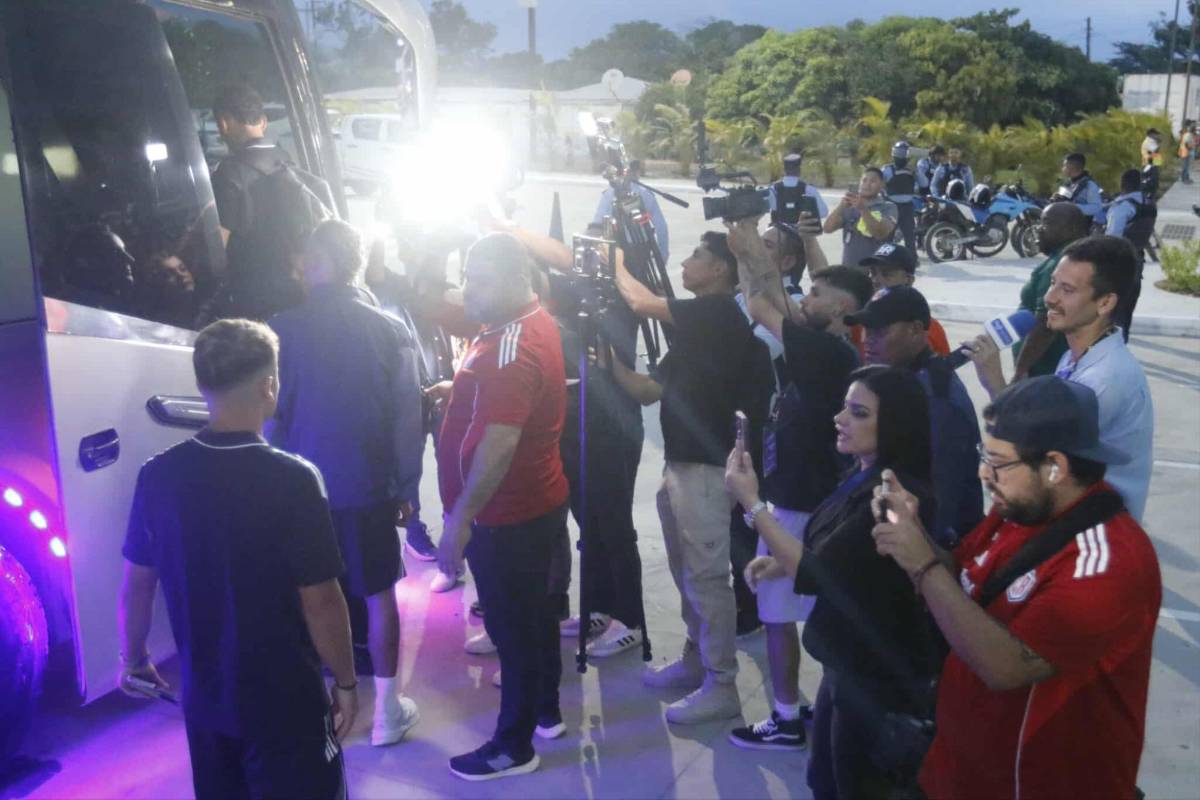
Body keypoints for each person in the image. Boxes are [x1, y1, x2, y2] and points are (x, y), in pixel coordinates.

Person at [873, 376, 1161, 800]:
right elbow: (964, 575)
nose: (982, 473)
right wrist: (913, 531)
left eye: (998, 462)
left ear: (1055, 467)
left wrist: (923, 564)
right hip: (959, 772)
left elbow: (1007, 667)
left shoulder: (1107, 564)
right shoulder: (1020, 512)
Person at [119, 319, 356, 800]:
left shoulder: (158, 476)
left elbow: (138, 584)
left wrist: (135, 656)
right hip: (286, 700)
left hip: (205, 701)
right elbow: (322, 600)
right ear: (269, 386)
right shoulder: (294, 479)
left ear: (203, 385)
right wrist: (347, 682)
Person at [726, 365, 938, 800]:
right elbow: (838, 554)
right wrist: (781, 564)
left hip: (874, 681)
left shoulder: (892, 493)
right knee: (824, 778)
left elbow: (815, 573)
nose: (840, 418)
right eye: (844, 406)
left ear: (894, 424)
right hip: (844, 667)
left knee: (852, 784)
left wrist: (752, 503)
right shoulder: (861, 473)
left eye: (858, 412)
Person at [607, 231, 774, 724]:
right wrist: (609, 360)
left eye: (697, 256)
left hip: (706, 468)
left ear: (721, 269)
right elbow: (648, 391)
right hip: (679, 467)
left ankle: (721, 685)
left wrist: (616, 260)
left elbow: (637, 299)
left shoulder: (717, 312)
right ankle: (695, 658)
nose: (686, 261)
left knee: (706, 577)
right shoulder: (695, 331)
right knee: (687, 575)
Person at [268, 219, 423, 746]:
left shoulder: (281, 329)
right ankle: (386, 714)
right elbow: (408, 417)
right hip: (368, 485)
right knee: (379, 594)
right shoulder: (389, 328)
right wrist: (409, 486)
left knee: (311, 596)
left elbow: (272, 416)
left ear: (328, 261)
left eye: (307, 257)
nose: (299, 267)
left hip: (301, 490)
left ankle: (321, 706)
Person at [729, 217, 875, 751]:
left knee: (776, 615)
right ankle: (809, 707)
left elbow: (761, 305)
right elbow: (777, 303)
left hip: (796, 502)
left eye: (815, 293)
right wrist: (751, 251)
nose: (805, 299)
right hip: (810, 494)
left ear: (839, 308)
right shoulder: (829, 347)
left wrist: (747, 252)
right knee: (797, 613)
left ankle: (786, 717)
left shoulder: (824, 351)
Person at [432, 233, 570, 780]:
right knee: (535, 616)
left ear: (518, 278)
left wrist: (460, 520)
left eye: (480, 279)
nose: (469, 290)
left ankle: (513, 746)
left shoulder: (513, 347)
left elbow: (500, 443)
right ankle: (546, 709)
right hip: (534, 502)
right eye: (466, 276)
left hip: (507, 513)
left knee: (513, 630)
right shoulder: (520, 327)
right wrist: (461, 390)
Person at [969, 236, 1154, 522]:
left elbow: (1034, 452)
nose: (1050, 297)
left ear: (1105, 302)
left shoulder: (1104, 379)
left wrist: (995, 382)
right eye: (1053, 283)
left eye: (1067, 289)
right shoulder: (1076, 355)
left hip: (1091, 529)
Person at [849, 285, 983, 547]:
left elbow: (939, 499)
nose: (866, 339)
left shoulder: (934, 398)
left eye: (879, 331)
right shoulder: (902, 382)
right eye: (865, 329)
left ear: (915, 329)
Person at [209, 83, 333, 321]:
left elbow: (217, 245)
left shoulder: (229, 174)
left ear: (224, 123)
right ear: (263, 122)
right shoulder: (287, 162)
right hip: (298, 288)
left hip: (254, 298)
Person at [1010, 202, 1092, 379]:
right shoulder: (1072, 257)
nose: (1039, 228)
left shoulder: (1060, 266)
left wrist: (1020, 370)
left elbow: (1046, 325)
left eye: (1046, 223)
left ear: (1070, 229)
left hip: (1042, 372)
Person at [860, 242, 951, 355]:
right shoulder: (857, 324)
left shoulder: (931, 329)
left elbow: (944, 370)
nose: (876, 280)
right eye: (872, 273)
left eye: (886, 274)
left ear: (908, 280)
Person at [1106, 168, 1157, 337]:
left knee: (1111, 312)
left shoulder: (1123, 206)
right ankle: (1122, 343)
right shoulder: (1149, 205)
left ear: (1123, 184)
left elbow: (1112, 239)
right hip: (1137, 260)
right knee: (1127, 311)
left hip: (1118, 263)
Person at [592, 158, 670, 263]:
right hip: (641, 249)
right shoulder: (646, 194)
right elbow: (661, 227)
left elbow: (597, 224)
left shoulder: (609, 194)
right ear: (637, 172)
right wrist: (663, 253)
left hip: (616, 251)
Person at [823, 167, 898, 270]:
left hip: (876, 272)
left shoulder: (888, 207)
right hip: (849, 270)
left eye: (873, 181)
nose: (867, 184)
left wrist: (863, 209)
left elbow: (880, 234)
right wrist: (841, 206)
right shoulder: (849, 206)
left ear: (882, 185)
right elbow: (827, 228)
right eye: (864, 180)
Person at [769, 152, 830, 226]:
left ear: (784, 170)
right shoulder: (809, 189)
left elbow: (769, 209)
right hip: (802, 233)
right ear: (799, 169)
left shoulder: (773, 189)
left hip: (778, 233)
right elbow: (823, 212)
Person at [881, 141, 920, 255]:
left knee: (909, 236)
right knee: (888, 235)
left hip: (907, 206)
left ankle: (912, 259)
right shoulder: (887, 169)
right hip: (891, 206)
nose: (900, 156)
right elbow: (880, 184)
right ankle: (884, 259)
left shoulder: (912, 170)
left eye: (903, 153)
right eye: (898, 153)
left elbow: (922, 184)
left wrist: (916, 172)